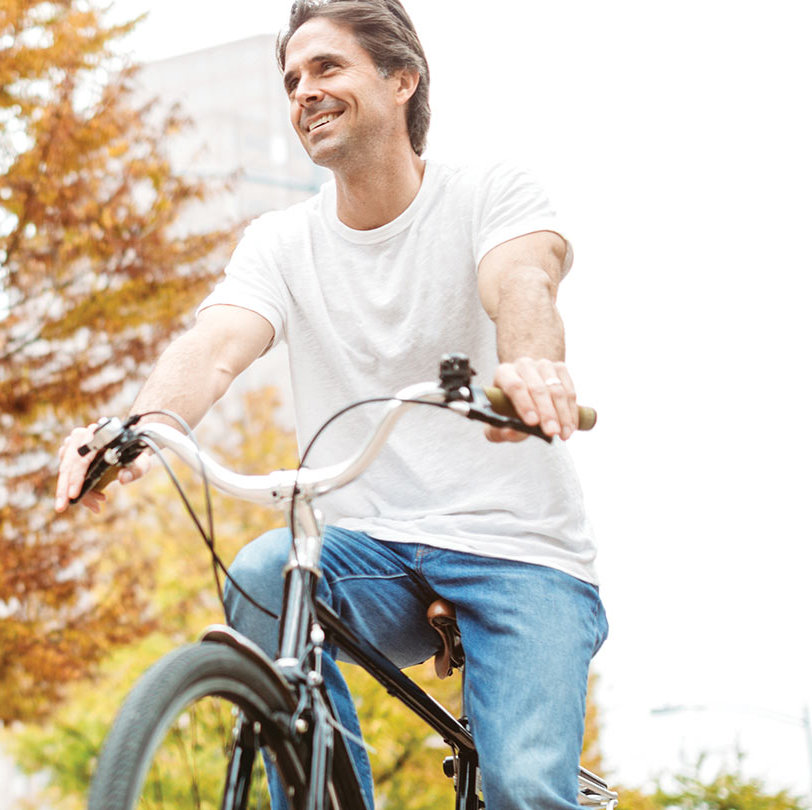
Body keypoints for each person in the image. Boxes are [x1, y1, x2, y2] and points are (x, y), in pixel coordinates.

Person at [53, 1, 605, 808]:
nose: (303, 91)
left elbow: (522, 280)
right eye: (291, 79)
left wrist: (531, 369)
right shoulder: (281, 242)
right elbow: (213, 348)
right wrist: (139, 428)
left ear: (402, 79)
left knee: (523, 785)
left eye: (327, 68)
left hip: (519, 550)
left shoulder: (489, 193)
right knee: (260, 574)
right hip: (375, 549)